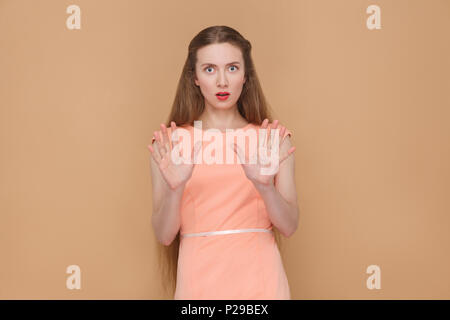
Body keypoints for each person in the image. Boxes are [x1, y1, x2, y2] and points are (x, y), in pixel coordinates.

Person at [147, 26, 299, 299]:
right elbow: (164, 235)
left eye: (231, 68)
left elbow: (289, 226)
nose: (222, 82)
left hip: (261, 283)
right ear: (194, 77)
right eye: (209, 69)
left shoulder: (272, 141)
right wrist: (176, 189)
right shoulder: (169, 145)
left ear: (245, 76)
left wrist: (265, 188)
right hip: (199, 284)